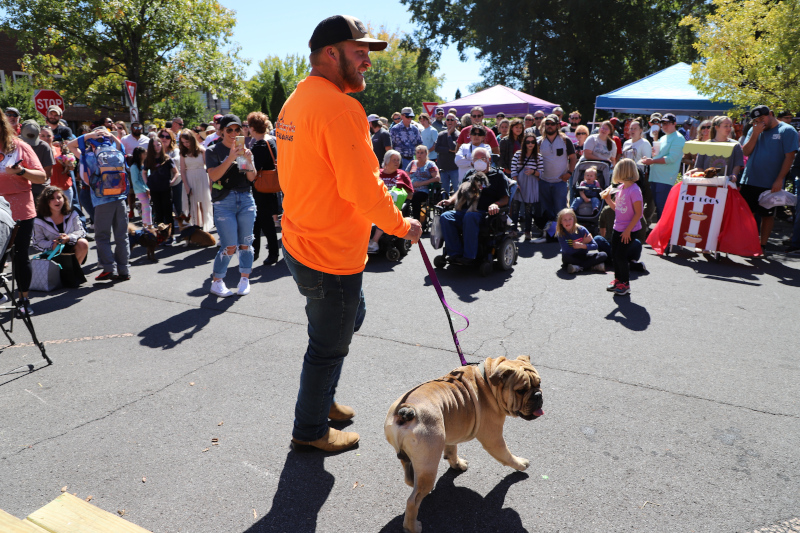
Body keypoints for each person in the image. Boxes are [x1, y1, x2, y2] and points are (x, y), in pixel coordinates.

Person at [277, 15, 420, 453]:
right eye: (360, 53)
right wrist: (401, 226)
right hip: (329, 253)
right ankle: (311, 429)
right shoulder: (340, 107)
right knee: (327, 347)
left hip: (302, 243)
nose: (367, 63)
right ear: (330, 53)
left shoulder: (298, 99)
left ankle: (321, 398)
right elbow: (363, 188)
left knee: (346, 319)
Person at [68, 127, 131, 282]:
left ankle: (109, 269)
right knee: (122, 236)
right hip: (120, 197)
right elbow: (122, 147)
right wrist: (112, 136)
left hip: (101, 200)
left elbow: (70, 145)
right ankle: (124, 270)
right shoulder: (116, 152)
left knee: (102, 236)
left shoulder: (88, 155)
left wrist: (89, 135)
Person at [0, 113, 47, 315]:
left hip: (20, 207)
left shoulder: (20, 146)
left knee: (20, 256)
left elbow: (42, 176)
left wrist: (20, 172)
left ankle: (24, 300)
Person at [206, 114, 257, 297]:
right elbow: (213, 176)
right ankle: (217, 281)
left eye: (237, 130)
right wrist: (230, 158)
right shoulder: (213, 150)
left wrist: (249, 161)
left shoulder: (244, 149)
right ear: (221, 132)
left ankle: (244, 278)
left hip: (245, 199)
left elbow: (251, 178)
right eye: (229, 130)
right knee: (229, 245)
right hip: (224, 201)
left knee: (246, 243)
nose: (234, 133)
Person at [739, 105, 798, 252]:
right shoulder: (754, 129)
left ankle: (762, 246)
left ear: (771, 114)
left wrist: (779, 180)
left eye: (762, 118)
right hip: (750, 180)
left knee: (767, 215)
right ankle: (746, 243)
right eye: (756, 120)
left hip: (771, 182)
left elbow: (789, 157)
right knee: (747, 214)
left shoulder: (787, 130)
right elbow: (746, 152)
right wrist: (755, 133)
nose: (760, 122)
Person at [438, 147, 509, 263]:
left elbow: (505, 199)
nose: (479, 161)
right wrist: (450, 200)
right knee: (446, 216)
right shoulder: (470, 173)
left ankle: (469, 256)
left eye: (483, 158)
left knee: (470, 216)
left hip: (485, 214)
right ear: (472, 161)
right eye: (476, 158)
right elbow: (460, 191)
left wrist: (496, 204)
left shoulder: (498, 175)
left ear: (489, 159)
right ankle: (454, 253)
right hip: (466, 210)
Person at [602, 159, 642, 296]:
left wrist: (627, 231)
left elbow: (639, 214)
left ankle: (625, 283)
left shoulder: (635, 190)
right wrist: (608, 199)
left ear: (623, 172)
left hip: (629, 230)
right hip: (618, 228)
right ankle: (618, 280)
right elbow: (617, 208)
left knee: (621, 256)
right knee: (614, 254)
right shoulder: (620, 188)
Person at [247, 112, 280, 264]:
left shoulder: (259, 145)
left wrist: (244, 158)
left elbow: (252, 170)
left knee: (262, 222)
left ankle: (269, 253)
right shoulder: (270, 140)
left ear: (253, 128)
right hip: (269, 185)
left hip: (261, 187)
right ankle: (259, 253)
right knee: (261, 222)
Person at [641, 113, 685, 220]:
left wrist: (652, 161)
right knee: (660, 210)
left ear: (675, 123)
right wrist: (654, 146)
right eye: (662, 123)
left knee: (663, 211)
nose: (664, 125)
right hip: (656, 178)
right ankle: (662, 235)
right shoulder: (663, 137)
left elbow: (671, 159)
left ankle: (665, 236)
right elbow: (656, 155)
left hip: (665, 179)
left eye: (667, 123)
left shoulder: (678, 138)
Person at [369, 150, 414, 252]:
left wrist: (396, 195)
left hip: (393, 206)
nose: (396, 162)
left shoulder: (402, 174)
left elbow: (410, 195)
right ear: (386, 161)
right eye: (394, 160)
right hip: (375, 203)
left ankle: (374, 242)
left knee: (385, 213)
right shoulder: (377, 174)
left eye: (398, 160)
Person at [538, 114, 577, 235]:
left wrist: (569, 173)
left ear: (558, 125)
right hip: (543, 181)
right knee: (546, 210)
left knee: (561, 210)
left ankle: (563, 234)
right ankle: (549, 234)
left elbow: (573, 158)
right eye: (547, 124)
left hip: (560, 181)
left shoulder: (565, 140)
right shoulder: (539, 142)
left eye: (552, 124)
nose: (549, 126)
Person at [32, 186, 89, 266]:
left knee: (83, 243)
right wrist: (52, 244)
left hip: (72, 245)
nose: (57, 201)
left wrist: (69, 237)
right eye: (52, 198)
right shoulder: (39, 220)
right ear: (46, 202)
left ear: (64, 199)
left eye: (59, 197)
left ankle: (76, 271)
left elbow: (81, 231)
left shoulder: (72, 213)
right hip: (52, 252)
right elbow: (37, 242)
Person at [177, 129, 212, 232]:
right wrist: (187, 186)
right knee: (193, 204)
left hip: (201, 177)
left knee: (203, 203)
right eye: (183, 142)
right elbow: (182, 171)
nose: (185, 144)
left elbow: (209, 169)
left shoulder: (202, 151)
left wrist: (210, 184)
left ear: (192, 140)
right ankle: (196, 226)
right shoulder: (183, 153)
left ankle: (203, 228)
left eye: (187, 142)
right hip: (189, 177)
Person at [621, 118, 655, 222]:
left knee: (640, 200)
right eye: (631, 128)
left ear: (641, 130)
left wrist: (633, 165)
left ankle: (644, 221)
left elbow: (646, 160)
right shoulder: (626, 143)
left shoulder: (645, 143)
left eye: (635, 128)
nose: (632, 130)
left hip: (640, 177)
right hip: (626, 176)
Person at [555, 208, 606, 274]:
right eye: (565, 220)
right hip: (571, 257)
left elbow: (595, 246)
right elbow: (567, 251)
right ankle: (592, 266)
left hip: (583, 255)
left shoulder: (582, 229)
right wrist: (583, 243)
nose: (568, 222)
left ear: (574, 219)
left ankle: (577, 268)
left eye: (570, 219)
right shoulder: (561, 234)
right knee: (566, 257)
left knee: (603, 255)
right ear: (561, 222)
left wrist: (583, 246)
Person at [19, 120, 55, 202]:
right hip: (19, 189)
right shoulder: (13, 145)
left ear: (38, 135)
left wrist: (24, 172)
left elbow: (48, 173)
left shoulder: (44, 147)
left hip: (39, 190)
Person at [39, 126, 75, 206]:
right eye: (43, 136)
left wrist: (68, 163)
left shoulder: (61, 150)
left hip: (64, 188)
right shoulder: (36, 152)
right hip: (47, 190)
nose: (46, 138)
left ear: (53, 137)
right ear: (39, 137)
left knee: (66, 215)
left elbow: (71, 168)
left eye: (48, 136)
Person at [406, 144, 439, 222]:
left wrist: (422, 183)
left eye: (421, 153)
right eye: (418, 152)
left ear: (426, 154)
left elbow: (437, 178)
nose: (419, 154)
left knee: (415, 197)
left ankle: (416, 221)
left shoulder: (430, 164)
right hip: (411, 189)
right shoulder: (413, 163)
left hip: (423, 190)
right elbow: (405, 175)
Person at [158, 129, 184, 226]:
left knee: (178, 205)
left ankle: (182, 225)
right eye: (162, 136)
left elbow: (177, 160)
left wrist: (163, 161)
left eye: (167, 137)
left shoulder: (175, 150)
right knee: (164, 206)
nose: (164, 139)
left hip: (176, 181)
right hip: (161, 183)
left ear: (171, 139)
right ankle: (166, 226)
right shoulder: (155, 150)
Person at [129, 146, 152, 228]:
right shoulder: (134, 167)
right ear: (139, 155)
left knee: (145, 207)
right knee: (147, 207)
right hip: (140, 190)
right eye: (144, 153)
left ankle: (145, 224)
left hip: (146, 189)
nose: (146, 155)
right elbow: (135, 181)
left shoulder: (144, 165)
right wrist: (145, 189)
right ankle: (149, 225)